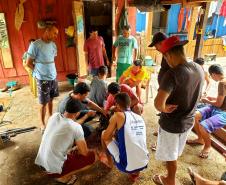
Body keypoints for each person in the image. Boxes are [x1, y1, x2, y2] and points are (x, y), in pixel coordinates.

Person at [153, 36, 204, 185]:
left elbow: (157, 104)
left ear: (168, 55)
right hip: (188, 121)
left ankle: (170, 180)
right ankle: (170, 177)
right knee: (175, 152)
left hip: (172, 124)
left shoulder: (172, 74)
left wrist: (164, 109)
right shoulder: (198, 68)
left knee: (170, 156)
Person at [35, 98, 97, 184]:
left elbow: (70, 124)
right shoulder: (76, 127)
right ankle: (62, 177)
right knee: (92, 157)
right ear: (78, 112)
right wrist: (80, 149)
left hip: (41, 162)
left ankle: (59, 172)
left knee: (71, 149)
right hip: (52, 169)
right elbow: (84, 153)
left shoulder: (54, 116)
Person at [100, 93, 149, 182]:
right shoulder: (140, 117)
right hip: (144, 161)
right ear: (129, 104)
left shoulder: (118, 115)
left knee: (103, 134)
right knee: (132, 140)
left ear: (117, 105)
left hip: (126, 165)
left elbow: (106, 137)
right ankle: (136, 173)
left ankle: (110, 163)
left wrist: (113, 122)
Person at [187, 64, 226, 159]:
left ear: (213, 74)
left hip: (223, 112)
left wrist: (205, 100)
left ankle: (207, 146)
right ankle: (200, 139)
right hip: (217, 108)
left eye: (211, 76)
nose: (212, 78)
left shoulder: (222, 83)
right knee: (194, 116)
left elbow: (218, 104)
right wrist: (211, 98)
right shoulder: (224, 80)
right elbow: (222, 100)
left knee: (203, 126)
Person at [26, 24, 59, 132]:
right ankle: (42, 123)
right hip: (42, 78)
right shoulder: (35, 45)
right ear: (47, 31)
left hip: (53, 76)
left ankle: (50, 117)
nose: (56, 36)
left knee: (51, 98)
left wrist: (50, 71)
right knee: (42, 102)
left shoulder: (53, 45)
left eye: (56, 34)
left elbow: (51, 59)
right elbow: (28, 63)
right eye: (54, 33)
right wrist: (38, 72)